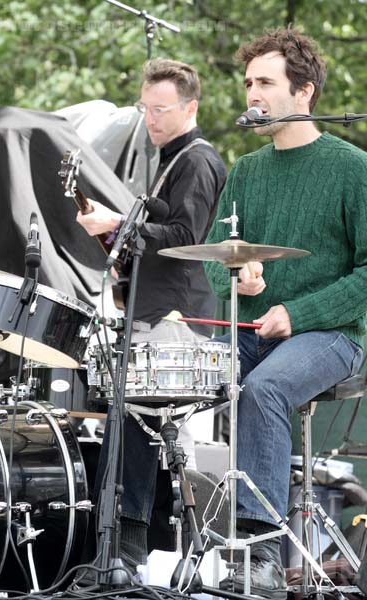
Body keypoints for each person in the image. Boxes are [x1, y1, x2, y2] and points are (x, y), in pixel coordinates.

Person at [205, 27, 367, 598]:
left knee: (265, 389)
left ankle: (260, 552)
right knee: (158, 379)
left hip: (334, 336)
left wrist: (297, 313)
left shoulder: (353, 168)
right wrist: (237, 274)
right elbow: (211, 259)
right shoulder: (245, 172)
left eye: (265, 82)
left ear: (305, 93)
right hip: (252, 326)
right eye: (248, 82)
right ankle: (127, 542)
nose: (253, 93)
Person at [77, 58, 226, 567]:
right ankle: (124, 550)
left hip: (176, 321)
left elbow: (186, 238)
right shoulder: (166, 161)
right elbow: (155, 241)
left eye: (161, 109)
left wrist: (118, 221)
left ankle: (192, 554)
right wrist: (115, 240)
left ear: (191, 107)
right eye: (145, 109)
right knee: (136, 431)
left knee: (170, 436)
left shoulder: (199, 161)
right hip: (153, 314)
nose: (151, 119)